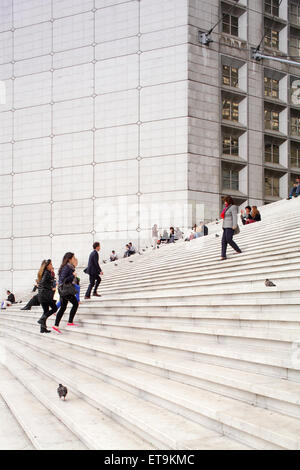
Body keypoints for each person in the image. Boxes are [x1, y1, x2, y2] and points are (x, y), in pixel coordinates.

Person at [53, 252, 79, 333]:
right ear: (69, 259)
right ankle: (70, 322)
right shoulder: (67, 268)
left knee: (63, 307)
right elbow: (64, 280)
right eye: (73, 258)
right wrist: (73, 276)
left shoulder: (68, 267)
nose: (75, 259)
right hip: (66, 290)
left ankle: (56, 325)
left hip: (63, 290)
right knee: (75, 303)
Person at [36, 259, 57, 334]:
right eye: (51, 264)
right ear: (47, 265)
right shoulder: (46, 273)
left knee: (45, 311)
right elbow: (43, 283)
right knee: (54, 308)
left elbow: (41, 283)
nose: (52, 265)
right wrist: (51, 288)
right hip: (46, 295)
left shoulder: (43, 272)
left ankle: (43, 328)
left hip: (42, 295)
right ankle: (42, 319)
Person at [220, 196, 242, 261]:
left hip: (230, 226)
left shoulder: (233, 207)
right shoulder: (226, 208)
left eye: (225, 201)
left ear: (228, 201)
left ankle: (238, 250)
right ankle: (223, 255)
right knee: (223, 241)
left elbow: (235, 216)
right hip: (225, 227)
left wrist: (234, 225)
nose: (224, 202)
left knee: (228, 239)